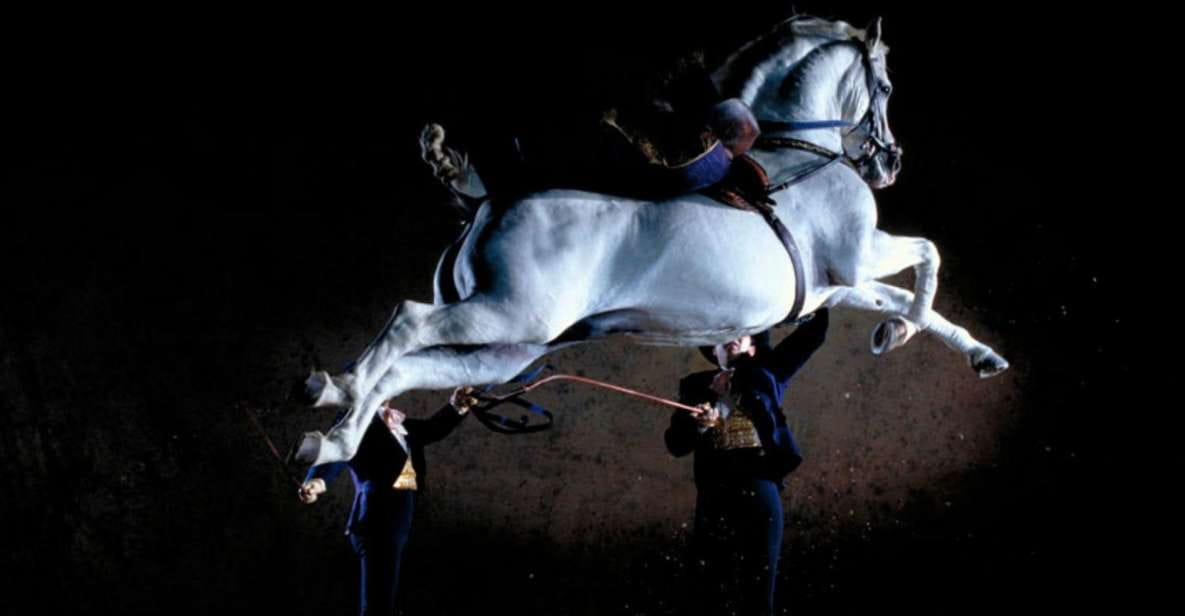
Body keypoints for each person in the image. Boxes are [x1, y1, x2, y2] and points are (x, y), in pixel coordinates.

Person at [665, 309, 829, 616]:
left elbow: (814, 333)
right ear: (712, 350)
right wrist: (700, 423)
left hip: (758, 485)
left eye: (737, 333)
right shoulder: (695, 385)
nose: (728, 339)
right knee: (705, 592)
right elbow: (676, 445)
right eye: (720, 338)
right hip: (714, 494)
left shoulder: (769, 372)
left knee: (758, 592)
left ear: (752, 342)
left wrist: (805, 306)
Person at [298, 386, 478, 615]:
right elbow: (335, 449)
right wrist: (317, 482)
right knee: (377, 606)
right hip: (377, 522)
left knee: (392, 602)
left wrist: (456, 406)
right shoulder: (354, 421)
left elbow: (432, 430)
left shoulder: (396, 423)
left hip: (403, 521)